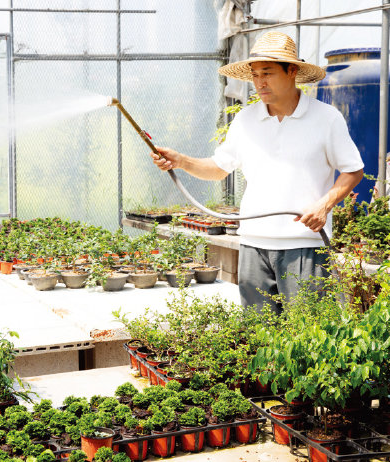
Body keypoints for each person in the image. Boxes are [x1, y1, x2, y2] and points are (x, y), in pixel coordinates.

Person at [150, 32, 364, 315]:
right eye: (254, 74)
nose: (259, 82)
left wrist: (324, 205)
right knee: (259, 334)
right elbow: (218, 168)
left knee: (309, 334)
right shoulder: (246, 119)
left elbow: (353, 170)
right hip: (253, 243)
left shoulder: (326, 118)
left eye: (268, 73)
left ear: (292, 71)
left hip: (303, 244)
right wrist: (181, 161)